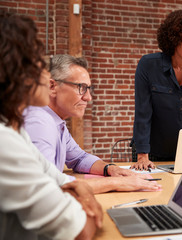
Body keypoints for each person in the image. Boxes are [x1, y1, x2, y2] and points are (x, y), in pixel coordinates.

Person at [0, 12, 102, 239]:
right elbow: (80, 230)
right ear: (15, 69)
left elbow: (59, 178)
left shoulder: (14, 131)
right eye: (40, 64)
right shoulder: (7, 138)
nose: (47, 77)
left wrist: (85, 185)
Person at [24, 54, 161, 194]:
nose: (88, 97)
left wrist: (111, 169)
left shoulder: (57, 123)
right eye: (81, 87)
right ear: (52, 86)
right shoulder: (39, 121)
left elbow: (79, 158)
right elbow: (47, 186)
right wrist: (116, 182)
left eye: (89, 89)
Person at [131, 9, 182, 170]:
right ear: (175, 40)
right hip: (150, 152)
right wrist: (142, 156)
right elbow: (143, 113)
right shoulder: (148, 65)